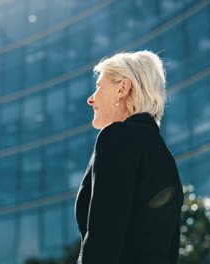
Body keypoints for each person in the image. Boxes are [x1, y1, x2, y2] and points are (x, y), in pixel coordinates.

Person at [74, 50, 184, 264]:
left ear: (122, 88)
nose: (90, 99)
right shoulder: (164, 155)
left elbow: (103, 240)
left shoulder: (117, 137)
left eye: (98, 87)